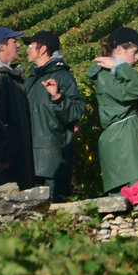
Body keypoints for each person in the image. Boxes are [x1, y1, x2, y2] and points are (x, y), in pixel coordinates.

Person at [88, 27, 138, 194]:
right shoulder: (107, 74)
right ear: (119, 49)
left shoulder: (114, 71)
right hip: (124, 142)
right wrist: (119, 66)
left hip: (127, 135)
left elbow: (119, 106)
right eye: (134, 52)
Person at [23, 30, 84, 201]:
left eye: (30, 46)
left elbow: (76, 111)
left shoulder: (63, 77)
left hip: (52, 161)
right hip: (31, 159)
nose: (27, 50)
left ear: (43, 49)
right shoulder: (30, 80)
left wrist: (58, 97)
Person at [0, 26, 32, 191]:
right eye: (14, 41)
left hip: (17, 154)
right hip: (7, 160)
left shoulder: (12, 74)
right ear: (1, 46)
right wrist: (1, 154)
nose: (18, 45)